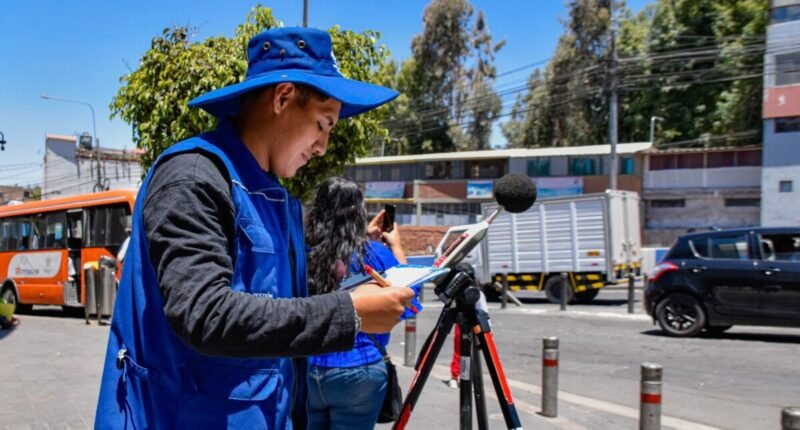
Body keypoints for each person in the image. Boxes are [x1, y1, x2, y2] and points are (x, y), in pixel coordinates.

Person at [95, 27, 415, 430]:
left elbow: (275, 310)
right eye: (322, 124)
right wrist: (348, 314)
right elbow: (204, 313)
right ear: (282, 97)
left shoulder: (277, 200)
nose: (323, 147)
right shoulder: (193, 177)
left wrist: (357, 295)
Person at [304, 177, 418, 429]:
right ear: (359, 214)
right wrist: (396, 246)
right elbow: (407, 299)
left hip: (306, 368)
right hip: (360, 370)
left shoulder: (301, 252)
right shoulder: (376, 255)